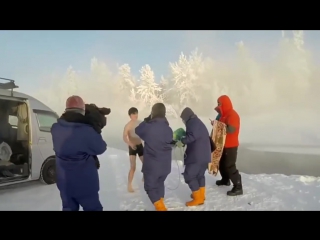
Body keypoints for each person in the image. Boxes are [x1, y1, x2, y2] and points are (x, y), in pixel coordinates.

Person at [51, 95, 107, 211]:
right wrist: (95, 126)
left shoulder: (55, 128)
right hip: (85, 184)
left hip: (64, 182)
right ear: (83, 111)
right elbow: (101, 148)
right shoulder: (87, 131)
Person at [135, 103, 173, 211]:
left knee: (150, 187)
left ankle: (161, 208)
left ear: (153, 112)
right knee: (160, 183)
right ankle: (161, 202)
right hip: (165, 166)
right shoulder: (168, 129)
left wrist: (146, 121)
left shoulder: (149, 127)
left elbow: (137, 130)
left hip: (153, 166)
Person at [178, 107, 211, 206]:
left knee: (189, 175)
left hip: (197, 156)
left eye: (183, 119)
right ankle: (201, 195)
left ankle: (198, 199)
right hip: (204, 155)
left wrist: (182, 140)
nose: (183, 121)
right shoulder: (197, 122)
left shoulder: (192, 123)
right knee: (199, 175)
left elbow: (191, 137)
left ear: (186, 117)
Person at [213, 95, 242, 196]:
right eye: (218, 103)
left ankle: (238, 187)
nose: (218, 105)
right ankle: (225, 180)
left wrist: (219, 126)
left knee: (230, 166)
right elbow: (221, 127)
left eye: (220, 103)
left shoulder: (232, 115)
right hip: (223, 144)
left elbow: (231, 129)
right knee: (221, 163)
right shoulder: (222, 115)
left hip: (231, 145)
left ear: (225, 103)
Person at [123, 107, 144, 192]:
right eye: (133, 114)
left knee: (146, 164)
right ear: (130, 115)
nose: (135, 115)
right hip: (132, 147)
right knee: (133, 167)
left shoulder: (140, 123)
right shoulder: (128, 125)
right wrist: (130, 144)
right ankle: (129, 185)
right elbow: (124, 137)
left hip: (140, 146)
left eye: (136, 113)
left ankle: (144, 178)